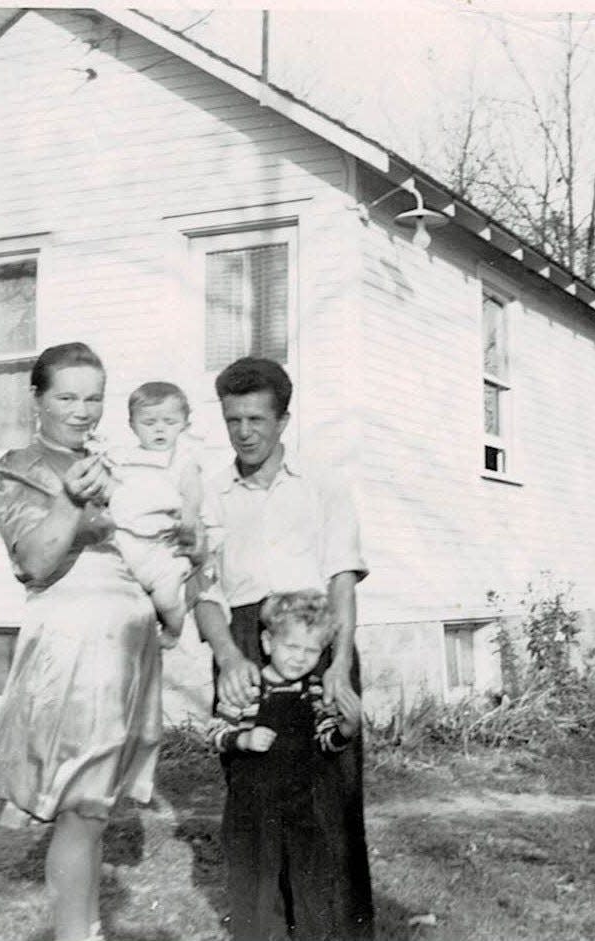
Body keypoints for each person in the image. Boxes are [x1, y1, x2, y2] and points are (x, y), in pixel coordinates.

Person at [0, 342, 166, 941]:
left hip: (128, 644)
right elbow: (36, 561)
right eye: (67, 397)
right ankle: (77, 935)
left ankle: (86, 927)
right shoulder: (16, 469)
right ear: (37, 399)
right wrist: (73, 503)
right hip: (74, 647)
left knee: (94, 808)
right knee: (79, 804)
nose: (82, 411)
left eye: (93, 397)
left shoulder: (115, 462)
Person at [194, 356, 374, 940]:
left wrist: (340, 666)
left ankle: (334, 931)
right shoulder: (211, 493)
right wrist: (226, 656)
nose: (244, 432)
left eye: (256, 419)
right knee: (254, 799)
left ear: (284, 420)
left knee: (330, 800)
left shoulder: (323, 484)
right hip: (245, 640)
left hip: (316, 639)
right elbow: (202, 589)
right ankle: (263, 929)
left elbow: (342, 580)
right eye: (232, 420)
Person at [208, 590, 363, 941]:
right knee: (255, 881)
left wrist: (345, 730)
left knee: (310, 877)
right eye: (291, 647)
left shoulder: (313, 691)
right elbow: (216, 731)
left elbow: (326, 739)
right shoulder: (249, 687)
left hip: (300, 805)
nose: (299, 659)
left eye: (311, 651)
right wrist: (242, 740)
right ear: (267, 641)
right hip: (253, 807)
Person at [86, 381, 215, 647]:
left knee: (167, 598)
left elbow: (192, 492)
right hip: (125, 540)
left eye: (169, 422)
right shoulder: (124, 458)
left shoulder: (182, 460)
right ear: (132, 425)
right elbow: (108, 487)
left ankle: (172, 630)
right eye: (149, 422)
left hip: (161, 546)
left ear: (184, 424)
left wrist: (189, 519)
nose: (159, 428)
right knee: (113, 593)